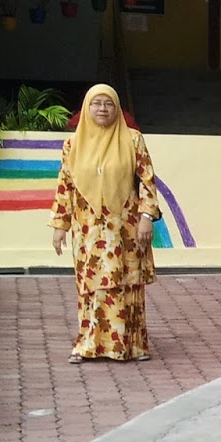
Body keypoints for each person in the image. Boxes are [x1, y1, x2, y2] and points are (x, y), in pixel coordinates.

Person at [49, 84, 160, 363]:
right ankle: (89, 345)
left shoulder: (133, 140)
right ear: (86, 109)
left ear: (117, 109)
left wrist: (147, 217)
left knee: (125, 283)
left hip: (125, 227)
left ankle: (131, 346)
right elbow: (65, 186)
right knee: (92, 285)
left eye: (108, 104)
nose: (102, 109)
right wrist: (59, 226)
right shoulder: (72, 145)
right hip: (87, 229)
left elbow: (147, 181)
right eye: (96, 104)